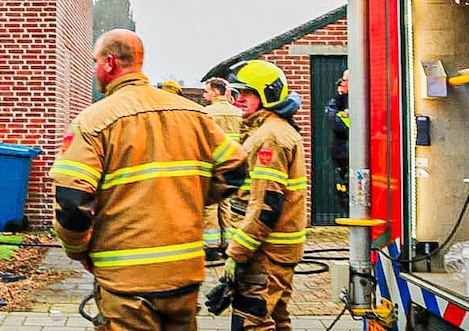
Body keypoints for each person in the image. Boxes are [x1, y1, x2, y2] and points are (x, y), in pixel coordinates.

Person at [50, 29, 249, 331]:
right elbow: (235, 168)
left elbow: (72, 202)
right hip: (183, 276)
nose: (94, 69)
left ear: (109, 63)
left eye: (95, 61)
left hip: (126, 282)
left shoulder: (94, 122)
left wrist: (78, 251)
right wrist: (193, 195)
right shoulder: (194, 116)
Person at [222, 59, 307, 331]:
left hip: (265, 254)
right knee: (278, 321)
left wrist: (237, 253)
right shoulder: (268, 130)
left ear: (266, 96)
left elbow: (265, 206)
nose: (239, 100)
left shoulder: (269, 138)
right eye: (237, 92)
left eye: (247, 93)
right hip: (275, 252)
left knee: (251, 325)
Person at [202, 77, 243, 260]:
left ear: (216, 92)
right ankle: (228, 243)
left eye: (207, 91)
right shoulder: (238, 113)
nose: (205, 94)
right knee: (227, 204)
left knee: (210, 205)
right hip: (233, 163)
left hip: (212, 164)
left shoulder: (206, 113)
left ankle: (211, 247)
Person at [326, 69, 350, 211]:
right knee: (343, 188)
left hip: (362, 154)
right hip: (342, 154)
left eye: (344, 80)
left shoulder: (363, 99)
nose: (341, 83)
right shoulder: (338, 101)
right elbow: (336, 123)